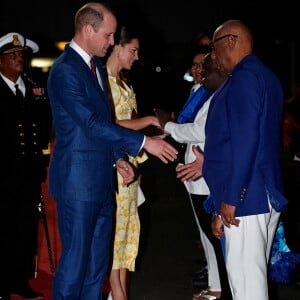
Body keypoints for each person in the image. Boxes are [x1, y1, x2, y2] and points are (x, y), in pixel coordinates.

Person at [46, 3, 177, 300]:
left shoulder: (94, 68)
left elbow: (104, 121)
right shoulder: (65, 70)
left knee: (96, 268)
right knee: (75, 266)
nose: (110, 41)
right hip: (78, 185)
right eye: (108, 35)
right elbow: (91, 123)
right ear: (88, 29)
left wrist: (119, 157)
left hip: (104, 183)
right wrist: (143, 143)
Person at [202, 20, 288, 300]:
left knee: (247, 286)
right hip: (254, 194)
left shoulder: (243, 78)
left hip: (247, 198)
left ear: (230, 40)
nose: (213, 56)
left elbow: (246, 141)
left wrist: (231, 199)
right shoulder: (265, 76)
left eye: (214, 47)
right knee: (250, 278)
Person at [156, 52, 232, 300]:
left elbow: (199, 130)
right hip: (196, 173)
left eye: (206, 64)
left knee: (215, 237)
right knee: (206, 235)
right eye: (196, 64)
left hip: (207, 174)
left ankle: (222, 289)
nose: (201, 69)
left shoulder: (217, 95)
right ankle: (216, 285)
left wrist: (167, 125)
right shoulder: (199, 92)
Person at [105, 24, 161, 300]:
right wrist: (147, 121)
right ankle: (118, 295)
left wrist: (139, 158)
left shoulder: (123, 83)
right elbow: (110, 125)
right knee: (115, 240)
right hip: (112, 168)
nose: (136, 57)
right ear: (117, 46)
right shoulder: (101, 81)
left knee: (127, 239)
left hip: (129, 166)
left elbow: (131, 126)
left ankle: (121, 295)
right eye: (133, 50)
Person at [0, 32, 52, 300]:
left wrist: (41, 158)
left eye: (20, 54)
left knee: (25, 230)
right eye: (11, 55)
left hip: (28, 174)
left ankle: (20, 281)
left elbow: (43, 126)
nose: (18, 58)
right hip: (1, 176)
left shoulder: (34, 86)